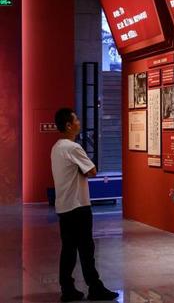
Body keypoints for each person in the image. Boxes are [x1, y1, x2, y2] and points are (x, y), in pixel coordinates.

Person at [50, 108, 119, 302]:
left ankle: (67, 287)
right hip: (78, 205)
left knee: (68, 250)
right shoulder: (73, 148)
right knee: (86, 249)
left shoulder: (56, 147)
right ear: (68, 125)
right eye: (76, 120)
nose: (79, 122)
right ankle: (95, 287)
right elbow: (92, 171)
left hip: (64, 206)